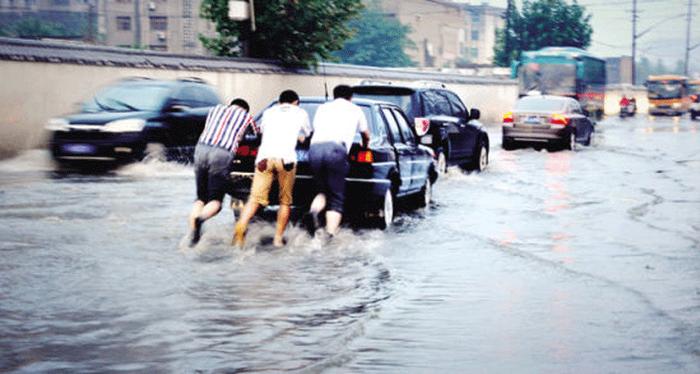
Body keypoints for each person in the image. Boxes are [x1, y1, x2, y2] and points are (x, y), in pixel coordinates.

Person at [233, 90, 311, 248]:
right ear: (295, 102)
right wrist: (299, 137)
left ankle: (241, 226)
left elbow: (262, 131)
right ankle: (277, 238)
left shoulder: (269, 112)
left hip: (263, 159)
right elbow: (307, 134)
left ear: (280, 101)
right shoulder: (300, 112)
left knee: (255, 199)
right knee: (285, 201)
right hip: (286, 160)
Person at [189, 98, 258, 246]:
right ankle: (200, 220)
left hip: (201, 149)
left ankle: (193, 236)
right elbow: (256, 133)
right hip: (222, 153)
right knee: (216, 201)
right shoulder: (246, 117)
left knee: (201, 198)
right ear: (245, 109)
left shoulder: (215, 110)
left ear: (231, 105)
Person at [307, 84, 370, 237]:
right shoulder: (356, 109)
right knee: (336, 196)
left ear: (334, 95)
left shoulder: (322, 108)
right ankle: (329, 234)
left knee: (323, 190)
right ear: (351, 97)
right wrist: (365, 145)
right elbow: (365, 134)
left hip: (314, 149)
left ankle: (314, 212)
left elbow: (315, 129)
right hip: (336, 150)